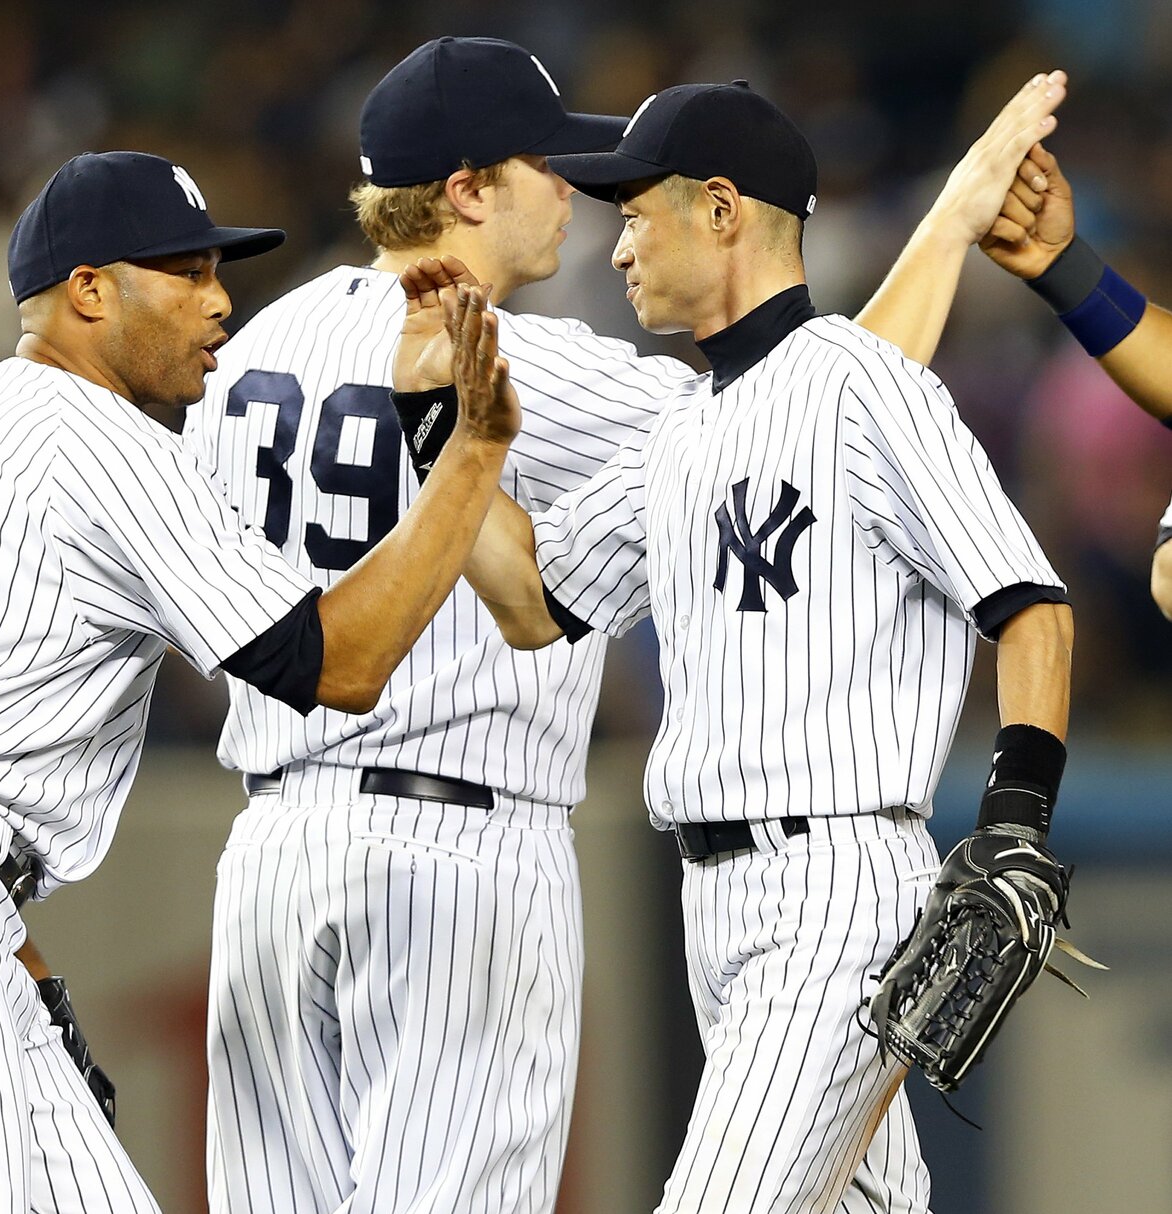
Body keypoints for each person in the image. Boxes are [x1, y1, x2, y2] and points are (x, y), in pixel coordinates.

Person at [182, 35, 1068, 1214]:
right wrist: (948, 224)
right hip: (480, 848)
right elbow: (575, 565)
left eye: (628, 204)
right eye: (556, 169)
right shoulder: (574, 375)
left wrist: (1016, 812)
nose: (595, 218)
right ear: (466, 189)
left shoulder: (243, 357)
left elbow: (819, 398)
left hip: (277, 847)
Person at [0, 150, 519, 1213]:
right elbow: (336, 664)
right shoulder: (97, 434)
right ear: (89, 289)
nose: (220, 300)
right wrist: (469, 456)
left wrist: (32, 980)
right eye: (185, 272)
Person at [444, 80, 1074, 1214]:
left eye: (636, 212)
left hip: (833, 889)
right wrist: (455, 440)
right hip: (716, 903)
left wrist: (1017, 817)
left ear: (723, 209)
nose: (618, 243)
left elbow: (1029, 601)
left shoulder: (863, 383)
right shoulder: (682, 427)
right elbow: (534, 602)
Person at [979, 142, 1172, 617]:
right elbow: (1044, 461)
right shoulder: (1069, 369)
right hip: (1093, 547)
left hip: (1132, 542)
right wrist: (1060, 266)